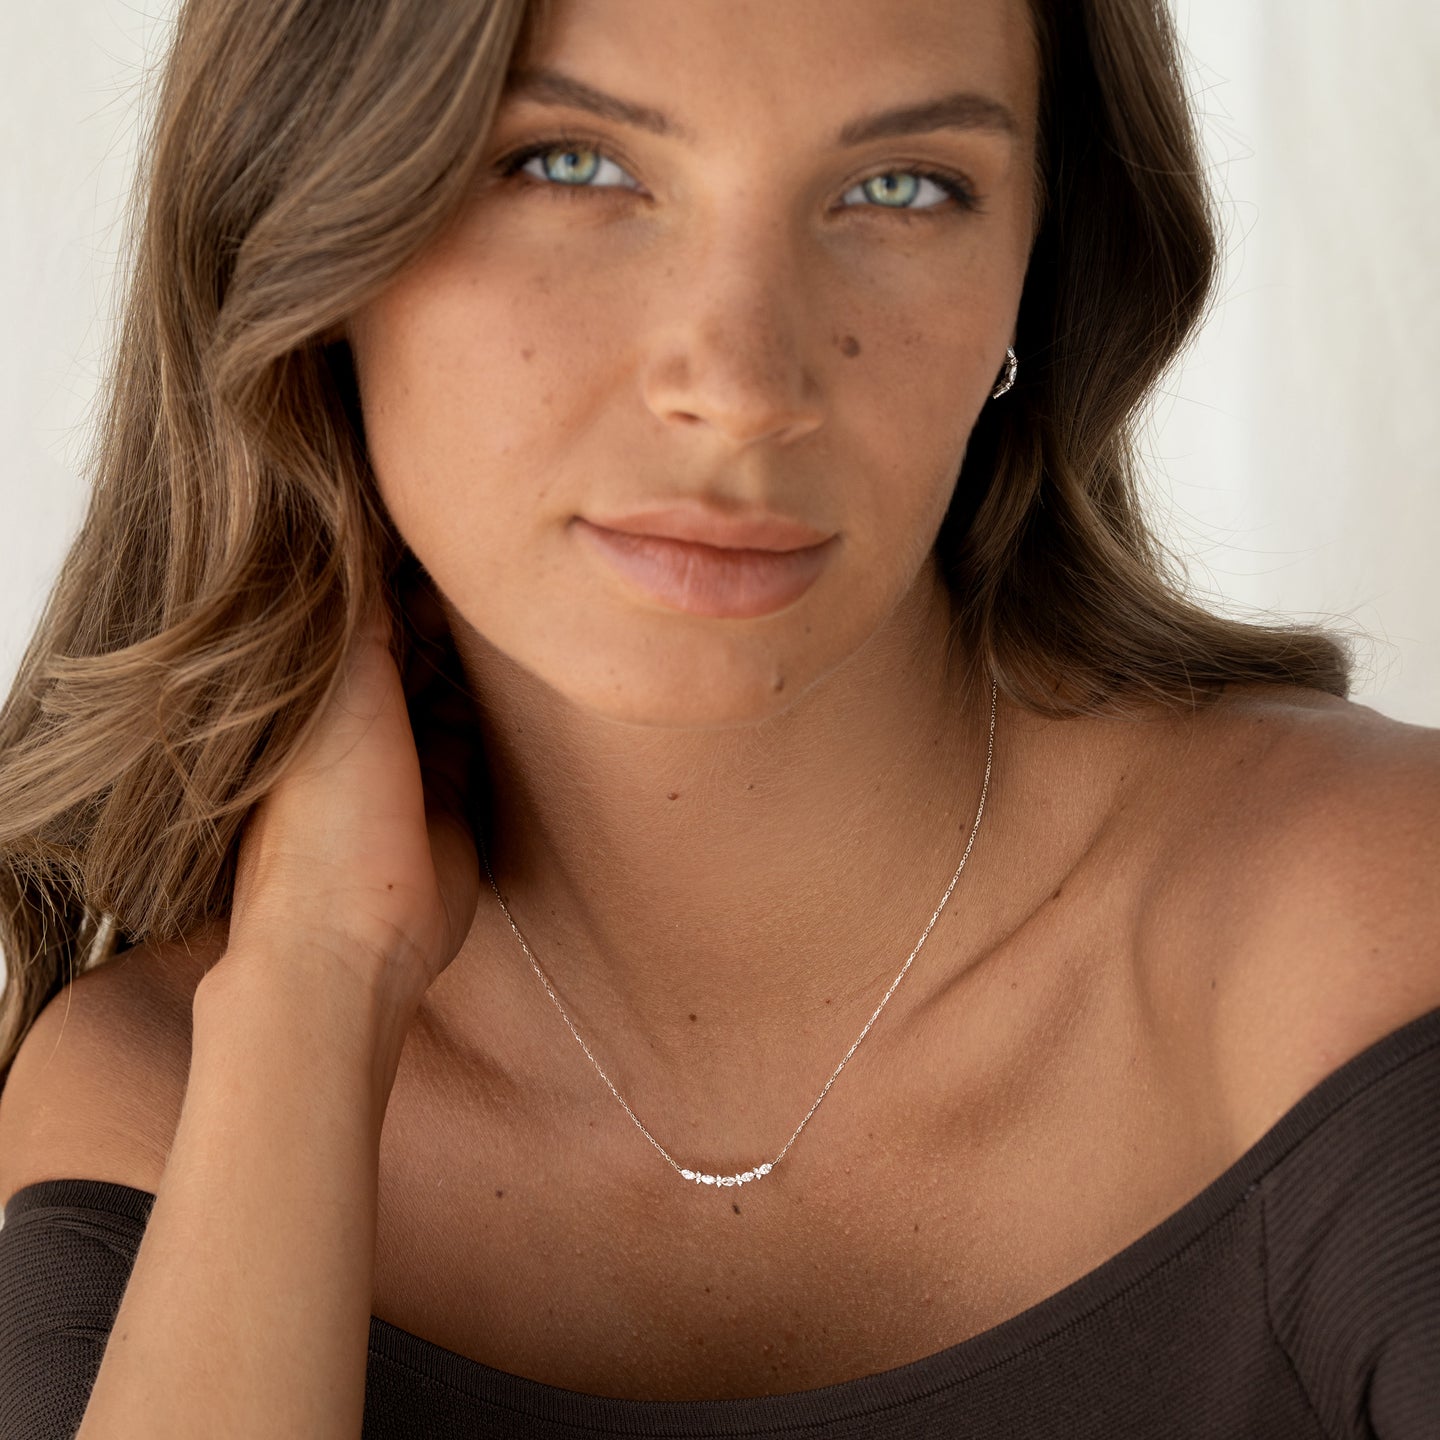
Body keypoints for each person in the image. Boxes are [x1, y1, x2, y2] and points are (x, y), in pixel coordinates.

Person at [0, 0, 1436, 1434]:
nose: (742, 389)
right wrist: (313, 983)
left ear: (1038, 273)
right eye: (568, 165)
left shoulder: (1355, 925)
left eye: (902, 188)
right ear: (307, 237)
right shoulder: (171, 1101)